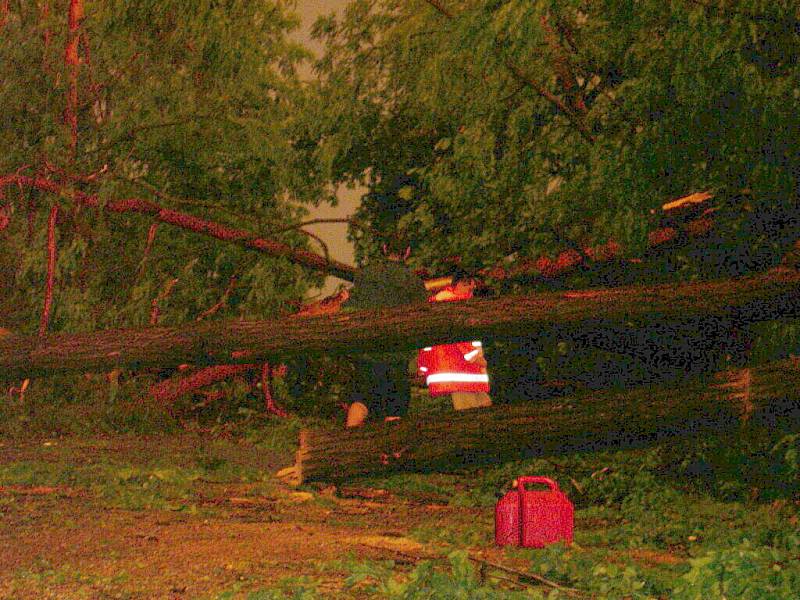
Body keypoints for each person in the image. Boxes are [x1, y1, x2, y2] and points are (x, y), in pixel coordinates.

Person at [342, 242, 428, 427]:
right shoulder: (413, 281)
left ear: (384, 248)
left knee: (361, 401)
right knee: (395, 408)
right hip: (397, 356)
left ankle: (348, 445)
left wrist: (345, 303)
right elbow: (422, 315)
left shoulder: (365, 275)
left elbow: (351, 309)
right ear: (407, 251)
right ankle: (391, 453)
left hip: (367, 354)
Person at [417, 273, 493, 410]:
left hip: (456, 367)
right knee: (470, 409)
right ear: (458, 285)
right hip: (460, 367)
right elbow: (460, 336)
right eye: (467, 285)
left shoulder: (443, 303)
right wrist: (476, 358)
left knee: (481, 405)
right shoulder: (453, 304)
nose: (471, 290)